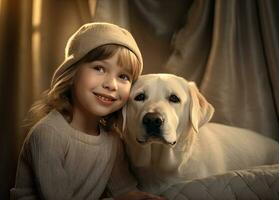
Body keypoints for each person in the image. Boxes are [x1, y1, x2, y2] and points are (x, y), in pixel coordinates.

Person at [11, 22, 165, 200]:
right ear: (72, 74)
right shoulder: (48, 134)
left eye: (123, 76)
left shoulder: (112, 140)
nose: (111, 85)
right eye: (99, 68)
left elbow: (123, 191)